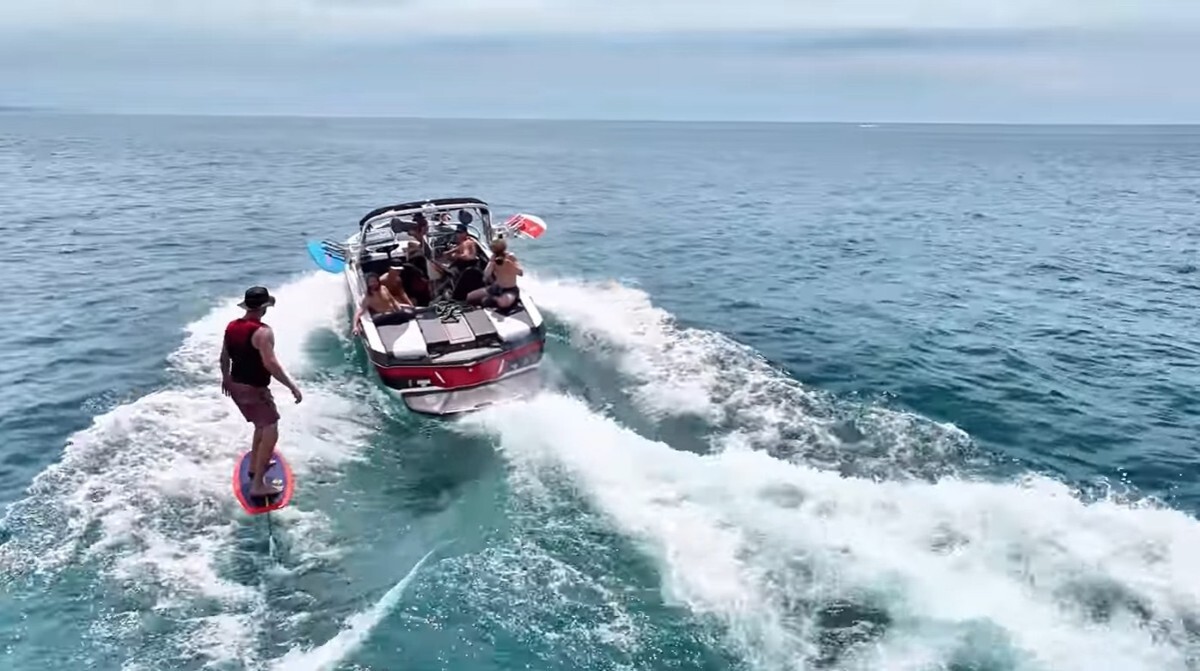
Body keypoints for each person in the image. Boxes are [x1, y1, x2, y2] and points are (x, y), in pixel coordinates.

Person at [220, 286, 303, 497]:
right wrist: (292, 387)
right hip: (254, 390)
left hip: (236, 386)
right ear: (264, 308)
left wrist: (226, 379)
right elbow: (271, 364)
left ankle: (254, 467)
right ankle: (258, 485)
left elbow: (224, 356)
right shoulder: (263, 332)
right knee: (271, 429)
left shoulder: (231, 326)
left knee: (260, 425)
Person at [467, 238, 523, 310]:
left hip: (510, 289)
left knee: (503, 303)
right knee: (470, 298)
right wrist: (491, 263)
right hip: (496, 287)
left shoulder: (511, 257)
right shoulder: (494, 259)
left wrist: (511, 265)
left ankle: (494, 299)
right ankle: (493, 298)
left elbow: (521, 273)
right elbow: (486, 275)